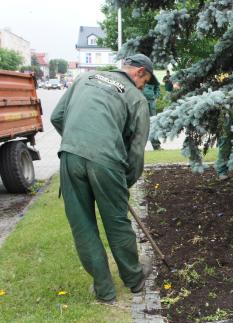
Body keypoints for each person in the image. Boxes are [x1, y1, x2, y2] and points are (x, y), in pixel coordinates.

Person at [50, 53, 159, 304]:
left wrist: (78, 141)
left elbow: (57, 117)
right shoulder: (136, 99)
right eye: (146, 81)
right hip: (108, 162)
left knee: (82, 224)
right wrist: (125, 182)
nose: (144, 87)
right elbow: (136, 151)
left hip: (70, 156)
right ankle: (134, 279)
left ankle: (104, 290)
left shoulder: (84, 78)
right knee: (116, 221)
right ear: (140, 72)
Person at [142, 82, 162, 150]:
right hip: (139, 102)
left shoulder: (152, 78)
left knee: (153, 125)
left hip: (151, 103)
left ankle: (156, 146)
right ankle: (137, 148)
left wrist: (155, 97)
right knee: (138, 124)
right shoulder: (136, 75)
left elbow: (157, 88)